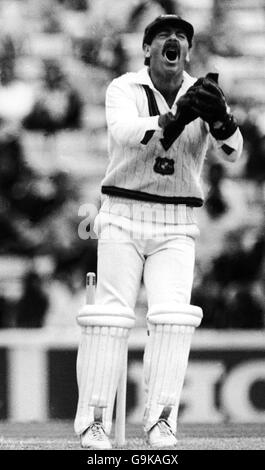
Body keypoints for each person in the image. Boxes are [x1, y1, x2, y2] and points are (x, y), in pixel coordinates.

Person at [74, 14, 243, 449]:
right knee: (111, 321)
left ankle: (161, 419)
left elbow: (233, 151)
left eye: (182, 37)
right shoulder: (123, 89)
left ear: (187, 51)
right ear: (147, 49)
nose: (175, 40)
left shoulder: (201, 93)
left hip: (176, 222)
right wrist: (173, 117)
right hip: (123, 212)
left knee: (171, 320)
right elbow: (126, 133)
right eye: (164, 36)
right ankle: (94, 422)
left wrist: (221, 118)